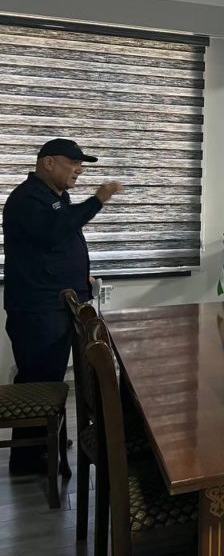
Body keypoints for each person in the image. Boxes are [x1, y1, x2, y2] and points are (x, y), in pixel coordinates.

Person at [3, 138, 123, 474]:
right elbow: (56, 232)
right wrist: (97, 200)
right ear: (48, 163)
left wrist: (80, 275)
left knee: (51, 378)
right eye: (73, 162)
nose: (79, 169)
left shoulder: (56, 197)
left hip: (55, 305)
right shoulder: (27, 199)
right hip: (38, 309)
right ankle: (29, 459)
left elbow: (58, 244)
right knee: (39, 381)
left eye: (81, 164)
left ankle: (44, 441)